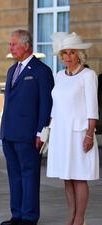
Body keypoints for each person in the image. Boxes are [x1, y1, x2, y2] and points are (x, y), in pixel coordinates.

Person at [0, 30, 54, 225]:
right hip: (9, 134)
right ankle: (17, 215)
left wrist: (42, 132)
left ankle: (29, 217)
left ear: (26, 45)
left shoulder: (41, 71)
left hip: (29, 135)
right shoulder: (11, 70)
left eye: (14, 44)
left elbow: (46, 105)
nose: (11, 48)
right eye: (10, 44)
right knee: (14, 176)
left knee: (29, 176)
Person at [47, 32, 99, 225]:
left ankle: (79, 218)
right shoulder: (59, 76)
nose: (67, 56)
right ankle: (71, 215)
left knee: (79, 177)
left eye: (72, 52)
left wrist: (89, 135)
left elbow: (92, 109)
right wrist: (51, 131)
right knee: (66, 177)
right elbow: (55, 106)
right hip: (61, 133)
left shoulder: (88, 75)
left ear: (79, 55)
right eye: (64, 53)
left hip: (78, 133)